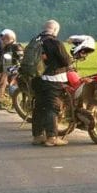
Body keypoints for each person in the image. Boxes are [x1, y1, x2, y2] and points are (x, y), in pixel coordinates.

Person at [31, 19, 72, 147]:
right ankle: (52, 137)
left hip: (37, 80)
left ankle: (37, 136)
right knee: (52, 107)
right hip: (52, 80)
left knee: (39, 106)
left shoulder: (35, 40)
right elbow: (66, 61)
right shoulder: (55, 43)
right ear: (55, 30)